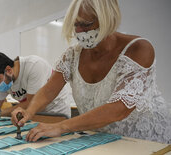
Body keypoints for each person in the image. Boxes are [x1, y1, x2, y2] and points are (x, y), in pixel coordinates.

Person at [11, 0, 171, 144]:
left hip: (148, 140)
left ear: (108, 18)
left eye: (86, 24)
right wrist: (28, 111)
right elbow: (49, 90)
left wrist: (61, 127)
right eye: (75, 24)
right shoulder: (72, 56)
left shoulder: (138, 49)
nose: (79, 31)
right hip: (105, 139)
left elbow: (119, 109)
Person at [0, 51, 71, 124]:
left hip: (56, 114)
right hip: (32, 117)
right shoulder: (6, 78)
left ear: (8, 70)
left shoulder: (34, 65)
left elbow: (31, 103)